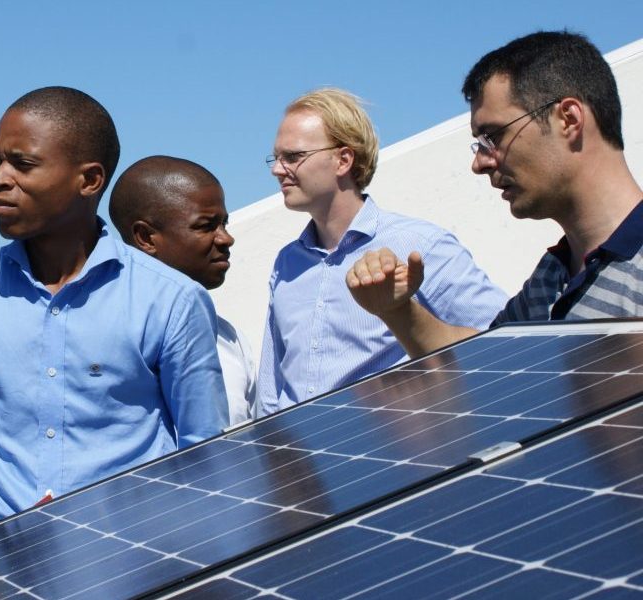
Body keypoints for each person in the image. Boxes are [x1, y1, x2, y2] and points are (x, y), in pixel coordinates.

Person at [0, 86, 227, 558]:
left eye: (22, 165)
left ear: (89, 180)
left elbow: (203, 456)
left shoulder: (171, 301)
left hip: (127, 568)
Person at [348, 31, 643, 357]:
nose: (479, 163)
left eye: (493, 136)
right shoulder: (552, 276)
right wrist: (396, 309)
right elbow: (488, 367)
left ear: (568, 119)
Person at [257, 87, 505, 418]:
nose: (277, 170)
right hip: (300, 464)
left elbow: (502, 344)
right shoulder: (287, 263)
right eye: (277, 158)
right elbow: (271, 388)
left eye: (293, 157)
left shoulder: (422, 245)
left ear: (343, 160)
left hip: (385, 461)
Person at [109, 155, 256, 424]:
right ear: (145, 237)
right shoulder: (105, 343)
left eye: (225, 223)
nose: (226, 238)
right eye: (205, 226)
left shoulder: (229, 339)